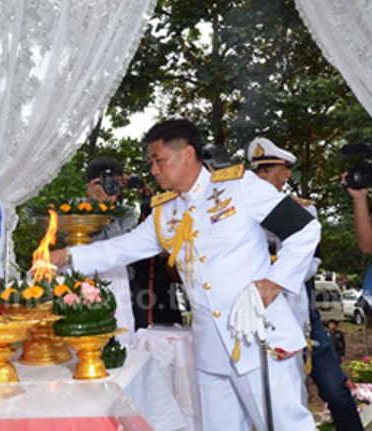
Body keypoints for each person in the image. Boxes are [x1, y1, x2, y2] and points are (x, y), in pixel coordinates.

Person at [50, 119, 320, 430]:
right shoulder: (165, 212)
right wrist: (68, 256)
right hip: (210, 350)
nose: (153, 170)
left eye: (159, 160)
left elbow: (305, 229)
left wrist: (274, 282)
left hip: (258, 336)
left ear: (187, 154)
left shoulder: (238, 187)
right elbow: (124, 247)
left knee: (285, 425)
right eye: (151, 162)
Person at [248, 137, 363, 431]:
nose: (262, 178)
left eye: (269, 170)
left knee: (335, 389)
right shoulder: (240, 210)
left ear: (285, 173)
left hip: (300, 310)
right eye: (258, 171)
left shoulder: (303, 210)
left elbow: (314, 261)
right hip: (255, 310)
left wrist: (278, 272)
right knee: (271, 394)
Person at [85, 157, 182, 339]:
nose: (108, 189)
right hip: (85, 284)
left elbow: (122, 246)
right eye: (101, 183)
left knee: (132, 333)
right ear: (88, 186)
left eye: (113, 184)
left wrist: (107, 210)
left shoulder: (126, 214)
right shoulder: (74, 211)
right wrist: (93, 208)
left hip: (125, 285)